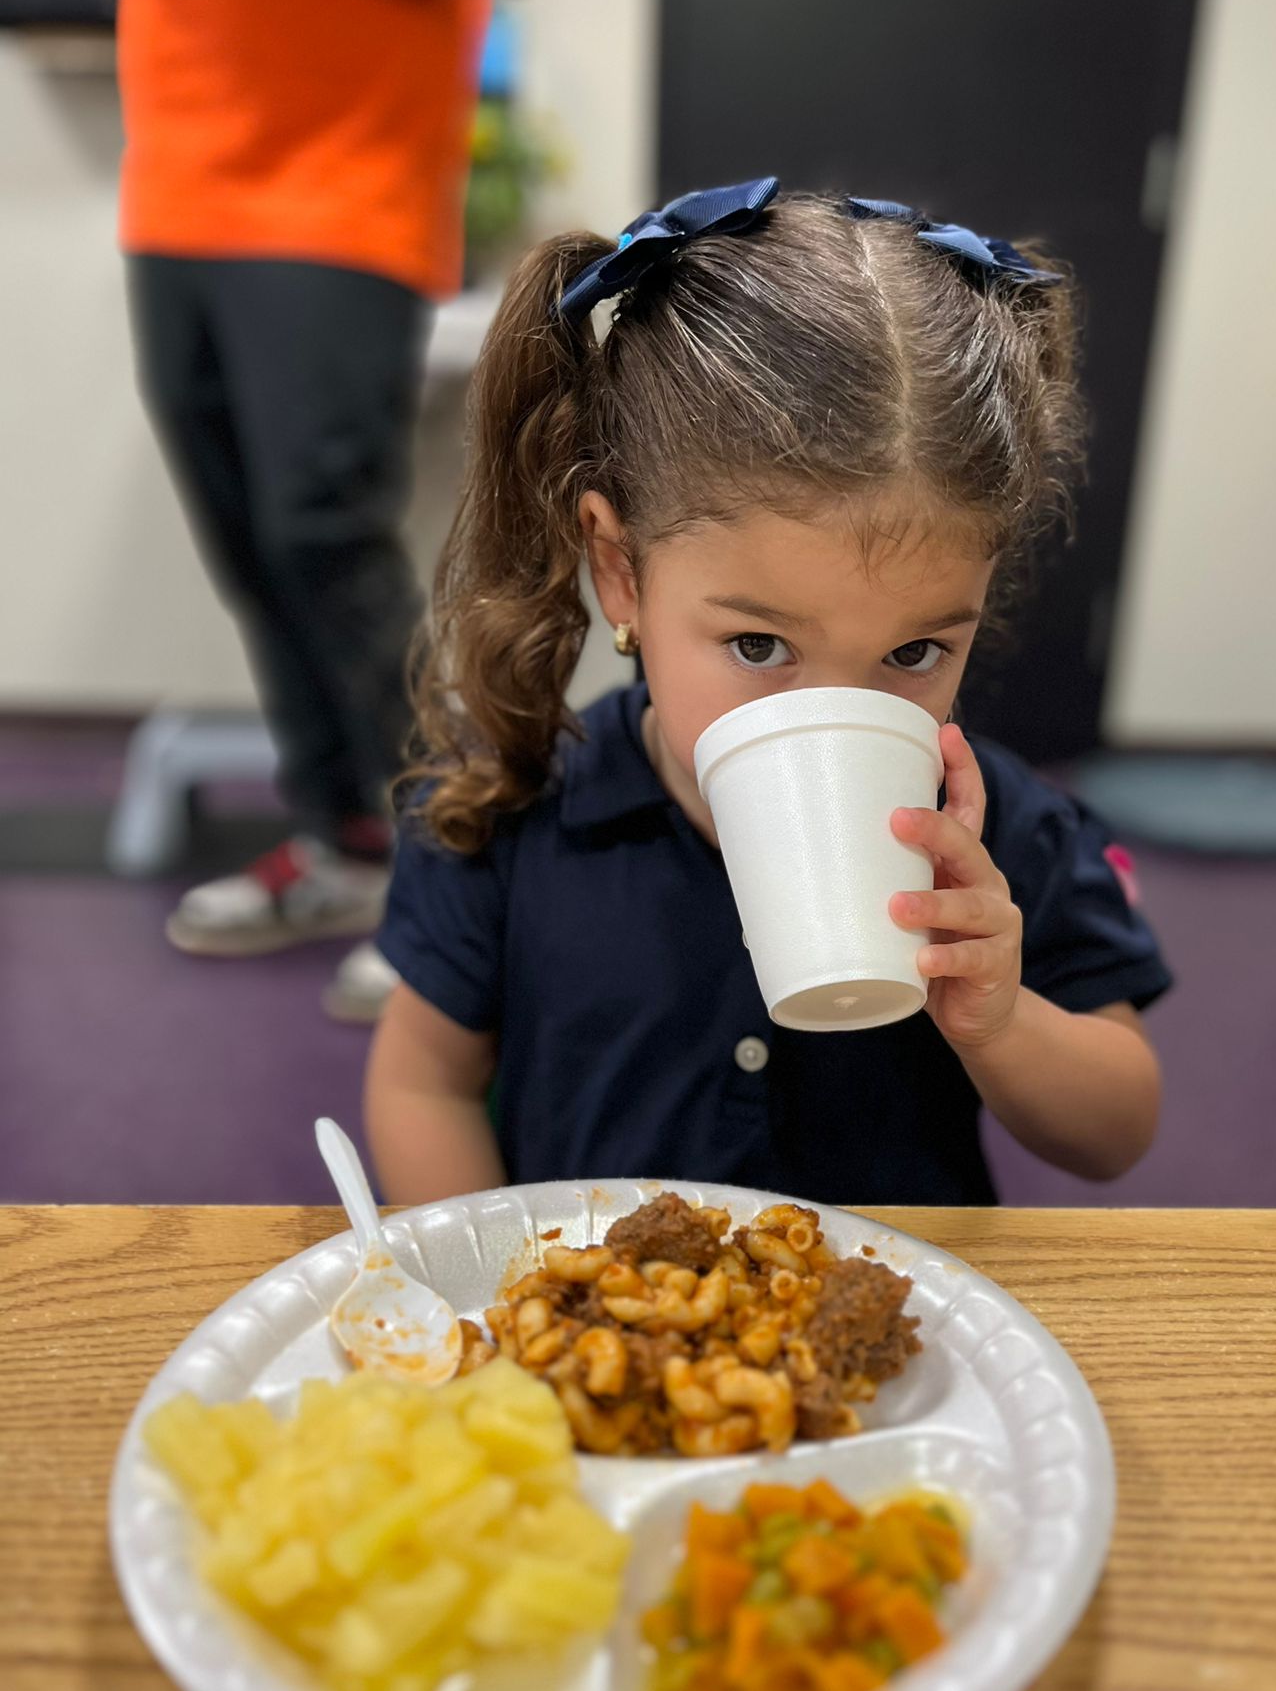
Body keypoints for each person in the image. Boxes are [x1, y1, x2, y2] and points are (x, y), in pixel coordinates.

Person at [365, 181, 1171, 1206]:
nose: (827, 716)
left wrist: (1003, 1020)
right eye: (759, 643)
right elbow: (422, 1084)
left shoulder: (997, 837)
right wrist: (491, 1280)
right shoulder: (511, 811)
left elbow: (1116, 1133)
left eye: (914, 651)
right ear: (620, 571)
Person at [115, 0, 537, 1019]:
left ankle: (453, 876)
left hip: (338, 187)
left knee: (323, 533)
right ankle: (344, 843)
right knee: (253, 546)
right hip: (175, 183)